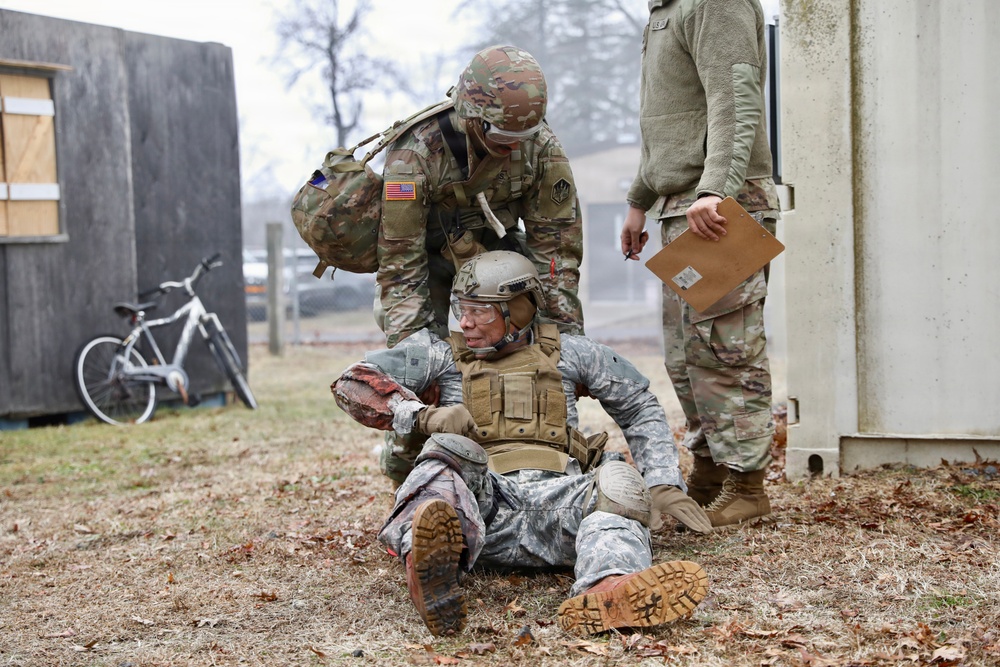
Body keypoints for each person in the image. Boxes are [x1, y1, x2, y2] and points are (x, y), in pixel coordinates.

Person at [332, 251, 711, 636]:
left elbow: (638, 403)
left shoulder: (573, 351)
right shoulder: (440, 354)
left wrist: (662, 479)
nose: (465, 322)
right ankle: (429, 569)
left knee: (617, 480)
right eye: (462, 309)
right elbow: (351, 383)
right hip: (481, 512)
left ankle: (609, 587)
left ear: (518, 309)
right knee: (442, 458)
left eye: (481, 311)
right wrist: (420, 415)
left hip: (565, 509)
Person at [619, 0, 780, 528]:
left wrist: (716, 190)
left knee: (725, 350)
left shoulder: (713, 1)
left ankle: (748, 486)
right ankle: (710, 473)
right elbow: (669, 121)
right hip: (678, 206)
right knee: (687, 357)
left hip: (717, 206)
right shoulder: (665, 11)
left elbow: (735, 97)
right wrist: (639, 200)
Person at [377, 44, 584, 350]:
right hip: (426, 258)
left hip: (499, 254)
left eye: (523, 138)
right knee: (420, 355)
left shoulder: (542, 148)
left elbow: (556, 253)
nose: (514, 148)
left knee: (533, 346)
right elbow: (400, 262)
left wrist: (564, 340)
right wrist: (413, 348)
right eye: (502, 138)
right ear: (472, 118)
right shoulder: (415, 155)